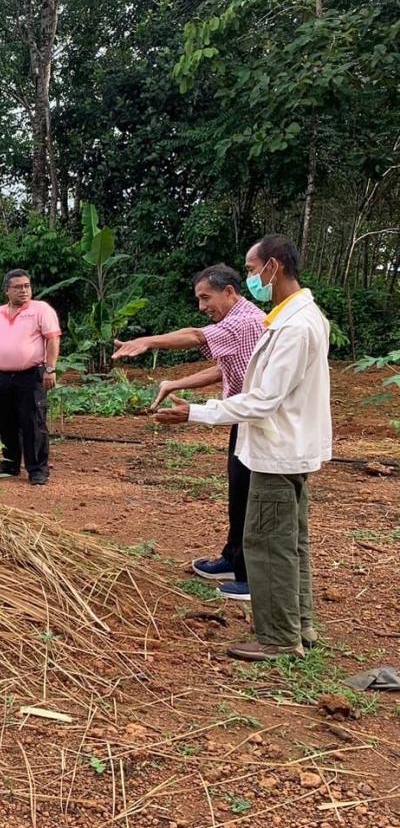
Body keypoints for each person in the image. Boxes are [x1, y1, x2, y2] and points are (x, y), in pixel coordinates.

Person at [154, 236, 331, 662]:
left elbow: (263, 399)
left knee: (267, 543)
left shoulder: (296, 326)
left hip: (277, 449)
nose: (251, 277)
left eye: (252, 270)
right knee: (290, 543)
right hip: (284, 445)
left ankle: (278, 639)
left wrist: (195, 413)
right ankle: (298, 626)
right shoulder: (290, 318)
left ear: (273, 268)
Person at [113, 264, 266, 599]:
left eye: (205, 297)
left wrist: (148, 342)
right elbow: (224, 367)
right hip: (242, 417)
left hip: (257, 420)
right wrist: (175, 383)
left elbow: (196, 336)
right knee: (238, 490)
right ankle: (233, 558)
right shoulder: (236, 322)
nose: (201, 306)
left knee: (250, 495)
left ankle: (251, 577)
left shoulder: (244, 320)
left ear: (228, 292)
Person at [0, 269, 61, 486]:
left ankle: (37, 470)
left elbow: (52, 340)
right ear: (7, 291)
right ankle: (10, 464)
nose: (24, 290)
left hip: (31, 375)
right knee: (6, 421)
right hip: (3, 376)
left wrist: (50, 369)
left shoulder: (41, 310)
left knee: (33, 422)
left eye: (27, 286)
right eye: (18, 287)